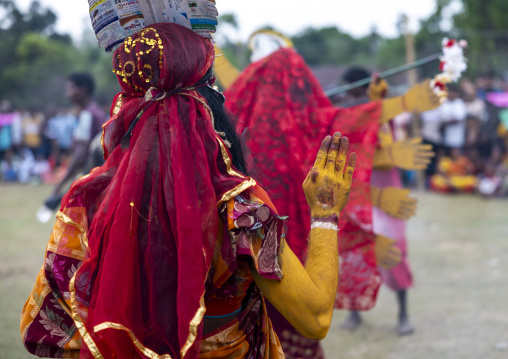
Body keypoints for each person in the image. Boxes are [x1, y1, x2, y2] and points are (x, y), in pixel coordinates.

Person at [20, 23, 358, 358]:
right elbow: (314, 318)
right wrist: (325, 211)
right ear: (207, 98)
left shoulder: (86, 199)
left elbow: (49, 329)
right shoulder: (240, 207)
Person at [216, 31, 441, 354]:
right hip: (283, 241)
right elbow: (339, 124)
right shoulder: (300, 119)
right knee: (303, 314)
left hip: (244, 238)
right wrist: (399, 104)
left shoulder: (232, 116)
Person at [40, 73, 107, 216]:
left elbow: (81, 154)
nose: (68, 94)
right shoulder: (97, 112)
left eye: (70, 89)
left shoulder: (87, 115)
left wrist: (59, 186)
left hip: (90, 181)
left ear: (83, 89)